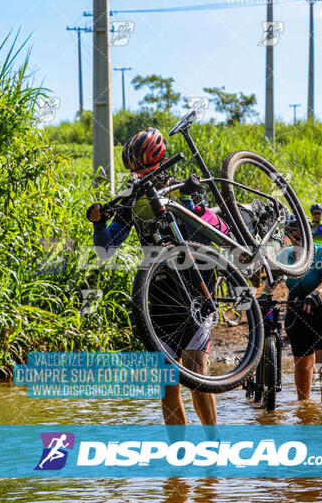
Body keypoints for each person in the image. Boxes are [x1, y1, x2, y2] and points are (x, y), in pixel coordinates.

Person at [86, 127, 217, 429]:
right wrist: (98, 223)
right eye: (133, 172)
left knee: (197, 376)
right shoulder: (131, 200)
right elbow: (107, 249)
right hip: (159, 293)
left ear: (161, 163)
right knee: (167, 383)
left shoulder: (180, 187)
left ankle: (214, 454)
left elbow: (211, 233)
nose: (137, 177)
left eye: (143, 170)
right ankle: (178, 468)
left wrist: (197, 201)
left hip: (195, 287)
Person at [261, 215, 322, 402]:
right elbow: (271, 280)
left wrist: (317, 293)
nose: (298, 240)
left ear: (309, 234)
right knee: (303, 365)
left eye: (302, 235)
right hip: (297, 310)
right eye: (294, 236)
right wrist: (265, 295)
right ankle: (303, 408)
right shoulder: (285, 255)